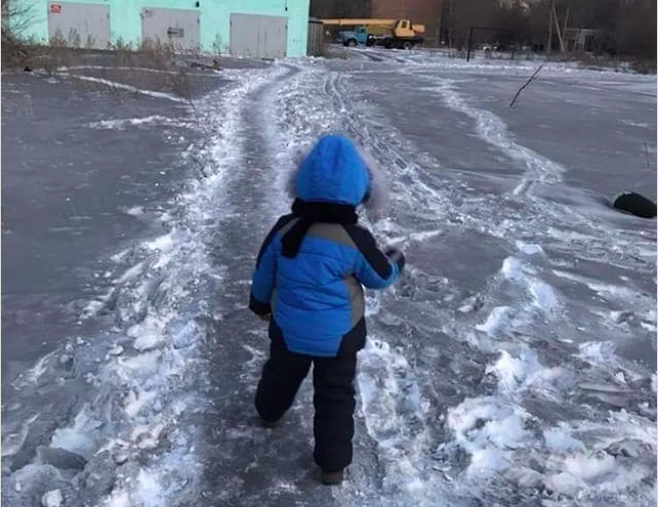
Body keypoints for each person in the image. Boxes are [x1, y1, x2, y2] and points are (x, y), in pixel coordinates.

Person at [248, 134, 405, 485]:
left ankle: (268, 413)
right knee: (335, 396)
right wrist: (397, 260)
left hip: (288, 330)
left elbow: (263, 273)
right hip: (339, 337)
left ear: (301, 182)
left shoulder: (285, 229)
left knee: (280, 374)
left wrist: (259, 304)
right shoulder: (355, 238)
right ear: (359, 189)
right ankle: (333, 465)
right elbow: (379, 276)